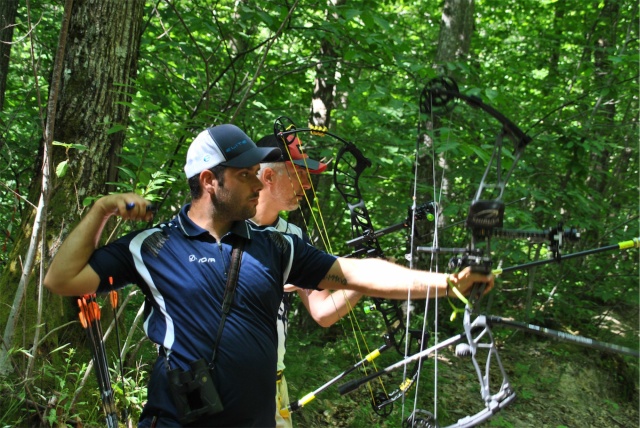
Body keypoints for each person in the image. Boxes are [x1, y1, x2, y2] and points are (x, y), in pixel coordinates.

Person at [44, 124, 494, 428]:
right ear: (209, 181)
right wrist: (103, 209)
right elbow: (61, 279)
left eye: (259, 174)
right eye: (246, 175)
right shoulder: (153, 247)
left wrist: (446, 284)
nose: (259, 184)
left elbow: (356, 272)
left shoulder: (277, 245)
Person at [251, 133, 363, 428]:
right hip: (227, 381)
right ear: (268, 176)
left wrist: (364, 278)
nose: (307, 185)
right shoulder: (222, 228)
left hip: (273, 381)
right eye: (299, 174)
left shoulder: (294, 237)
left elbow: (323, 312)